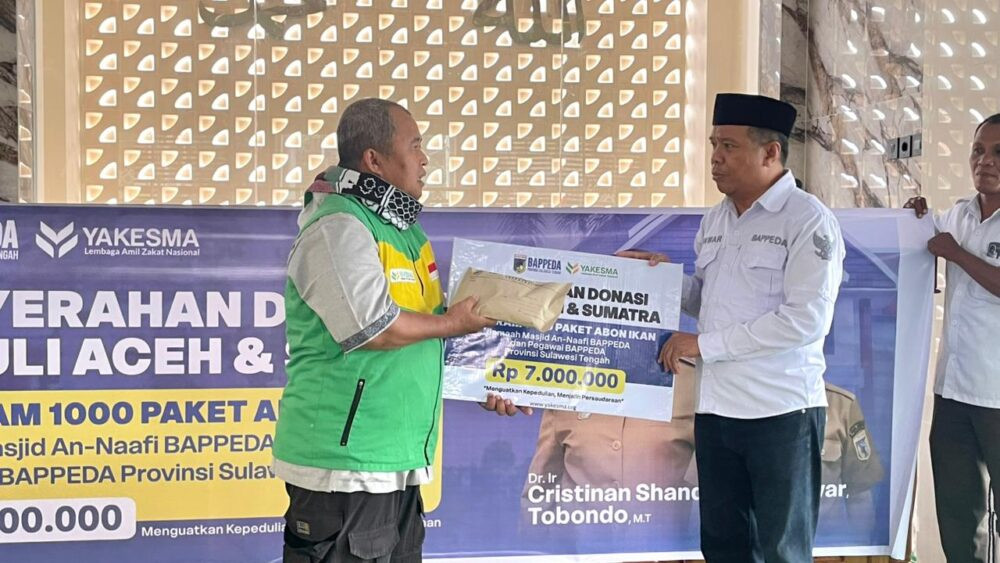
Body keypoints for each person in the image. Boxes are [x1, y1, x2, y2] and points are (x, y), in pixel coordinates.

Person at [272, 98, 512, 563]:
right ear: (374, 159)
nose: (426, 159)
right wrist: (453, 322)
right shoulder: (338, 227)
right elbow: (374, 327)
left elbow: (429, 334)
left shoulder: (406, 233)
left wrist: (486, 381)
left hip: (396, 462)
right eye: (415, 145)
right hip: (344, 471)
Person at [621, 93, 845, 562]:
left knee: (781, 549)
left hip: (780, 412)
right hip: (717, 411)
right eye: (713, 145)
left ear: (770, 153)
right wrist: (657, 280)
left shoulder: (808, 220)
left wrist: (704, 345)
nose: (715, 158)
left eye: (729, 146)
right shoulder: (716, 219)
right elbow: (709, 299)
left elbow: (806, 320)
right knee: (723, 546)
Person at [906, 112, 1000, 563]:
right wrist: (914, 218)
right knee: (960, 517)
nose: (986, 161)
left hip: (997, 394)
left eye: (998, 152)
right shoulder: (957, 215)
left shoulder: (957, 237)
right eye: (979, 150)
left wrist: (957, 254)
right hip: (953, 393)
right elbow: (922, 248)